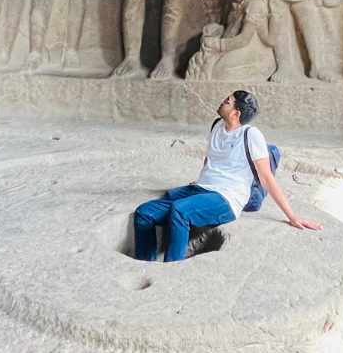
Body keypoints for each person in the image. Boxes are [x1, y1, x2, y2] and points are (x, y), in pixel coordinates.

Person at [132, 90, 322, 262]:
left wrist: (292, 216)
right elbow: (211, 158)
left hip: (226, 197)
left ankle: (171, 269)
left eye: (227, 101)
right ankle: (145, 263)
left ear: (236, 113)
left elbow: (266, 178)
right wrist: (201, 180)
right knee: (144, 213)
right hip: (202, 189)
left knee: (180, 211)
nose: (222, 102)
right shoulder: (217, 125)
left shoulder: (251, 135)